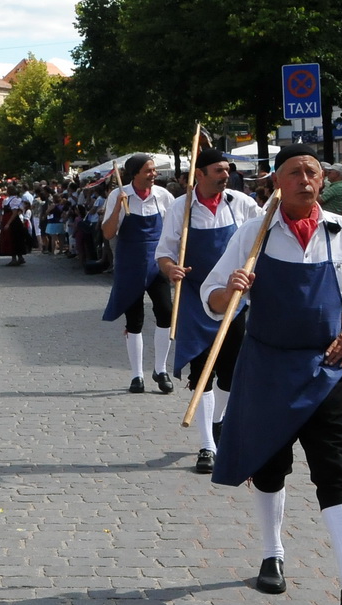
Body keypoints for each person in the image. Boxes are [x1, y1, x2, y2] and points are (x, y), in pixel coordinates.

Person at [201, 145, 342, 605]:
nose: (306, 180)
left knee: (332, 466)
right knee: (270, 466)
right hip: (267, 367)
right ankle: (272, 555)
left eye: (312, 172)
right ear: (276, 181)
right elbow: (210, 297)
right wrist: (230, 288)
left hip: (326, 367)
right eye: (295, 173)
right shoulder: (255, 235)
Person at [156, 148, 262, 473]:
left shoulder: (242, 205)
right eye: (218, 170)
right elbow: (164, 252)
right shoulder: (180, 207)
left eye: (227, 169)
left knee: (230, 373)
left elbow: (262, 241)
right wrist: (171, 269)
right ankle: (207, 446)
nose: (225, 174)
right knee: (202, 372)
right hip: (193, 299)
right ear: (199, 174)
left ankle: (219, 420)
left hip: (233, 301)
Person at [102, 155, 176, 394]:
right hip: (130, 264)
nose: (154, 174)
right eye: (148, 170)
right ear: (134, 173)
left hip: (157, 263)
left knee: (166, 313)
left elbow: (174, 229)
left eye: (154, 170)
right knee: (134, 321)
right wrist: (116, 207)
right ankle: (136, 376)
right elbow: (108, 233)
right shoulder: (118, 196)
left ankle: (161, 369)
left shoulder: (163, 196)